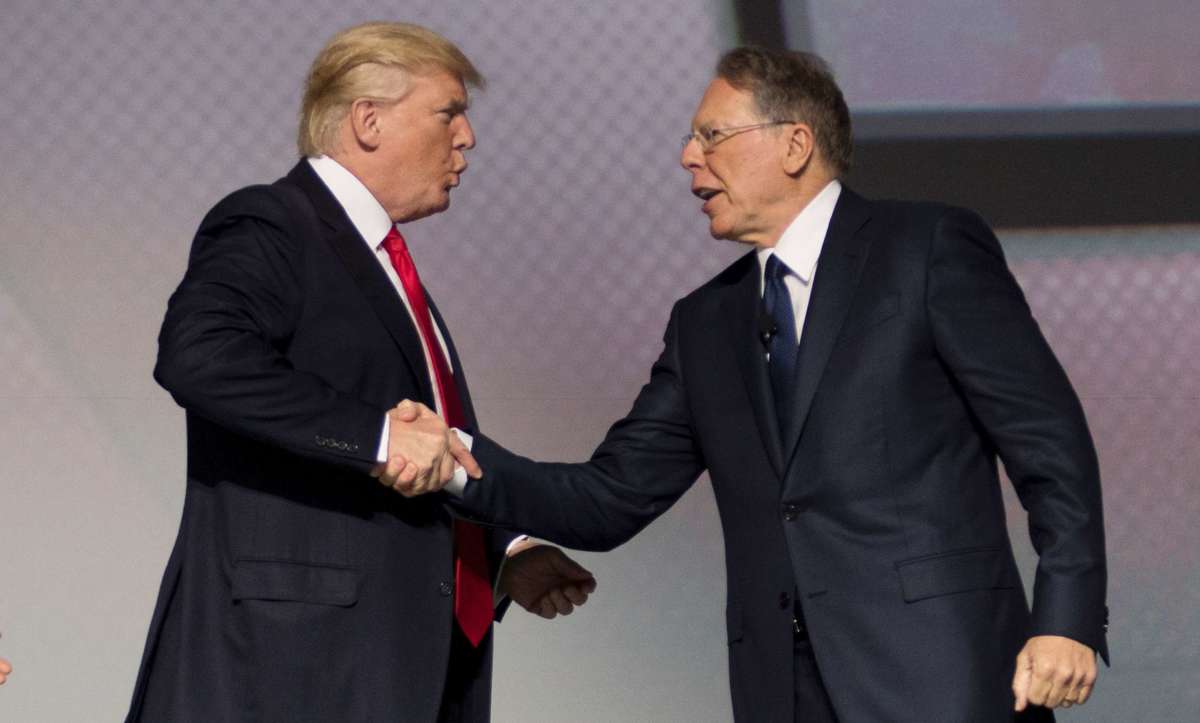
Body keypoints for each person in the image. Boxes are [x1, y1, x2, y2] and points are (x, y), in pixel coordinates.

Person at [398, 46, 1108, 721]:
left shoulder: (926, 251)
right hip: (781, 688)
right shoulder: (706, 322)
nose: (688, 158)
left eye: (712, 135)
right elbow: (610, 495)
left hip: (941, 673)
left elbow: (1048, 443)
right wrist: (454, 457)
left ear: (795, 145)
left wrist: (1067, 617)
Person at [126, 22, 595, 723]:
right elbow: (200, 354)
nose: (467, 137)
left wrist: (497, 550)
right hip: (294, 669)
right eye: (448, 113)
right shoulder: (272, 223)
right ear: (368, 120)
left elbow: (431, 443)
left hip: (410, 659)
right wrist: (375, 436)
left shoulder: (389, 268)